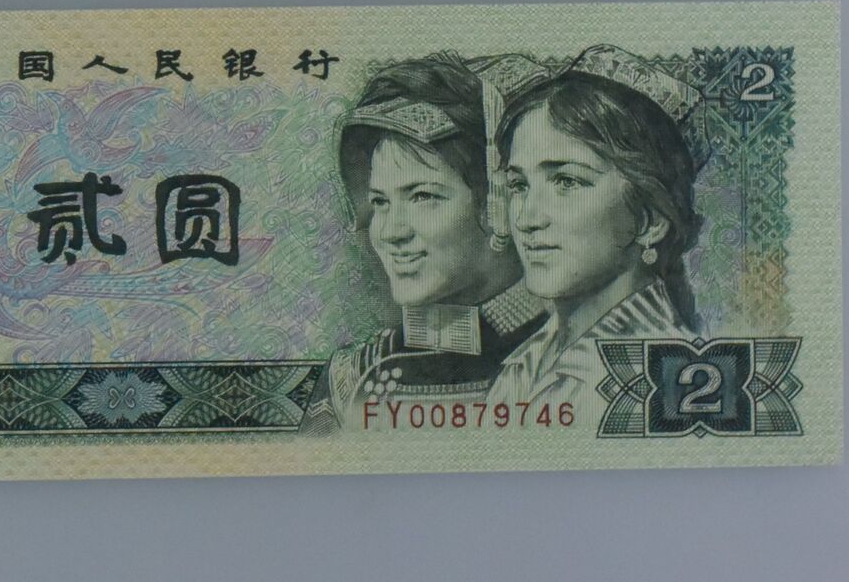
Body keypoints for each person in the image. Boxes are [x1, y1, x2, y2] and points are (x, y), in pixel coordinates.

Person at [300, 52, 550, 433]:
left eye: (422, 196)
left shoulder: (576, 356)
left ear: (498, 203)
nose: (390, 232)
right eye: (380, 202)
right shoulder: (352, 378)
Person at [486, 44, 704, 423]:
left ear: (650, 220)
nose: (526, 219)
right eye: (519, 185)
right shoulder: (523, 364)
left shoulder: (664, 380)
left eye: (566, 182)